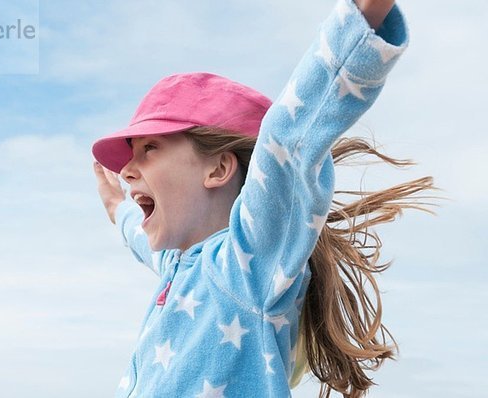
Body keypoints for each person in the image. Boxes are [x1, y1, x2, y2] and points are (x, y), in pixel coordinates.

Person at [92, 0, 435, 396]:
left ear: (218, 169)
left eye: (149, 149)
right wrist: (118, 208)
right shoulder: (180, 264)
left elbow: (289, 140)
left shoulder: (247, 264)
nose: (128, 170)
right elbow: (140, 237)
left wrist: (360, 18)